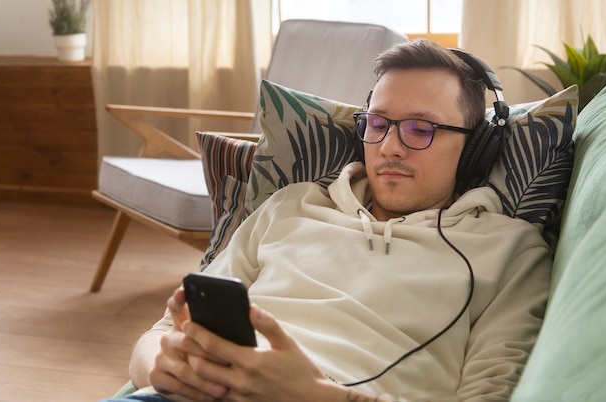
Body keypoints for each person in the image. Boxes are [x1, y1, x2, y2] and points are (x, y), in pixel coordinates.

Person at [103, 39, 552, 402]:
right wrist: (155, 365)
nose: (390, 148)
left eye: (420, 129)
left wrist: (316, 396)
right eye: (378, 123)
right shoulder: (291, 205)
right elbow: (165, 329)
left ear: (476, 147)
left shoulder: (510, 251)